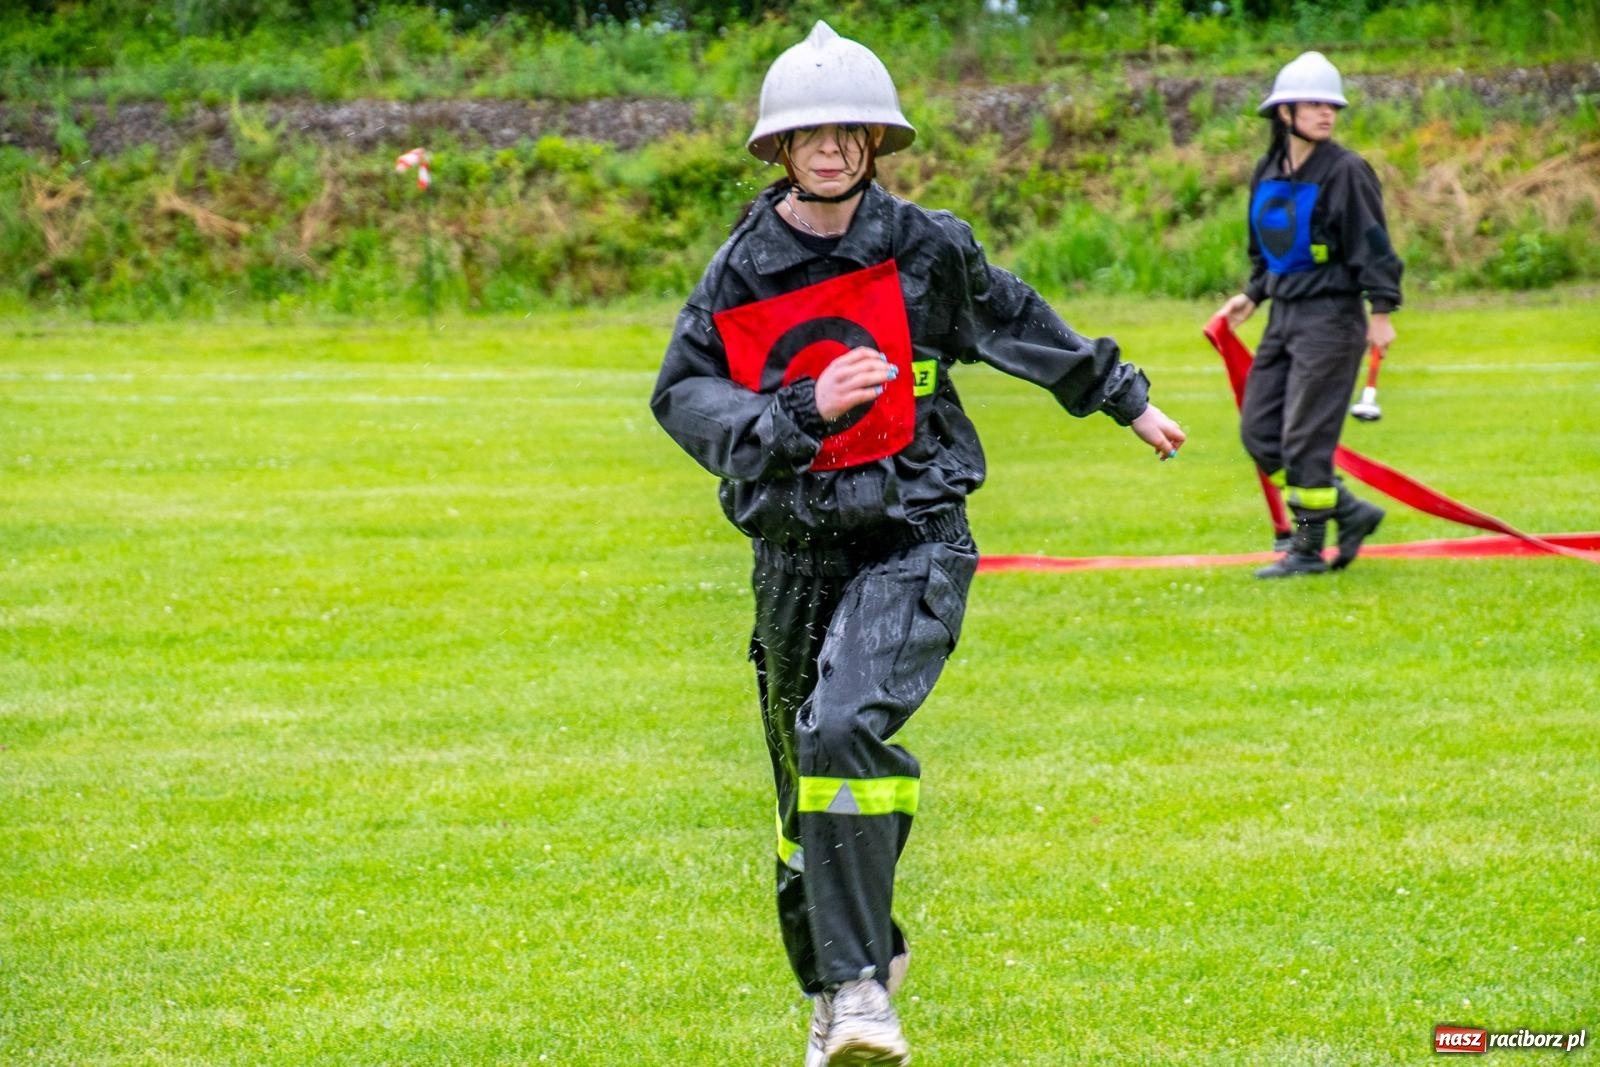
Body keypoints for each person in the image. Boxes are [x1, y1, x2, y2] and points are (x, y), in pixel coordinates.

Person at [650, 21, 1185, 1066]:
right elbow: (684, 393)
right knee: (804, 795)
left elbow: (1016, 317)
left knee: (844, 725)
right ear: (777, 149)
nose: (832, 149)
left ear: (875, 141)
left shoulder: (923, 245)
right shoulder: (742, 269)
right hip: (795, 551)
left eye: (850, 131)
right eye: (810, 134)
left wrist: (1120, 397)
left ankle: (857, 994)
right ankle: (847, 976)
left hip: (914, 532)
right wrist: (794, 409)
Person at [1217, 51, 1402, 579]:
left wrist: (1382, 310)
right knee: (1259, 433)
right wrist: (1253, 294)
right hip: (1284, 315)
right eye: (1314, 104)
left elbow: (1374, 246)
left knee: (1305, 442)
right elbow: (1266, 246)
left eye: (1332, 105)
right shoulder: (1268, 170)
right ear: (1284, 112)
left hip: (1333, 320)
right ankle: (1350, 511)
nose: (1326, 113)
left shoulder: (1346, 171)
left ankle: (1304, 547)